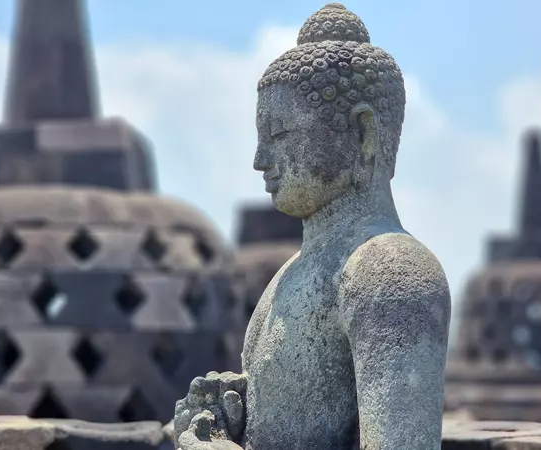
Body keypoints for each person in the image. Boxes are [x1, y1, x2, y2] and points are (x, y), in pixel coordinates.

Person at [172, 3, 451, 449]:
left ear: (363, 135)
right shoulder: (288, 277)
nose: (260, 160)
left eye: (279, 135)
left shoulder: (389, 273)